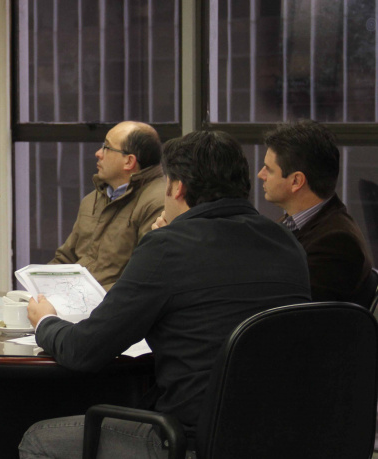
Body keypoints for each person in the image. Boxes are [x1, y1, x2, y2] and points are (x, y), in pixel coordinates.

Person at [19, 130, 311, 459]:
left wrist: (46, 322)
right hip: (282, 436)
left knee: (38, 439)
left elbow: (83, 350)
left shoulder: (167, 248)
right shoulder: (286, 242)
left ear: (176, 187)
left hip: (189, 441)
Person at [257, 119, 376, 308]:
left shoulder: (338, 242)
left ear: (296, 181)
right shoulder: (293, 223)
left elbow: (295, 310)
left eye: (269, 170)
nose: (260, 174)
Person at [49, 121, 165, 289]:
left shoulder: (158, 202)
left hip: (111, 308)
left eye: (106, 148)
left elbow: (143, 279)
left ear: (129, 161)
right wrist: (40, 288)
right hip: (75, 301)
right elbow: (67, 258)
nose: (98, 153)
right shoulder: (93, 199)